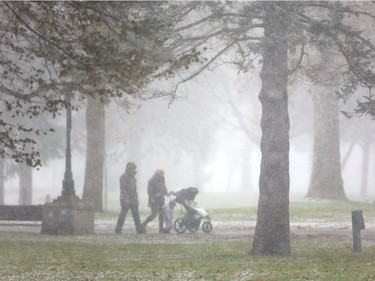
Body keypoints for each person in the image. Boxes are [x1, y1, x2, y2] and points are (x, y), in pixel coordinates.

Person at [115, 162, 143, 234]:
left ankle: (139, 229)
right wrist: (126, 198)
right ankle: (118, 229)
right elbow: (123, 189)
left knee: (136, 215)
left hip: (133, 199)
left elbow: (134, 189)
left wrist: (136, 198)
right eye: (133, 168)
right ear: (129, 168)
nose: (134, 170)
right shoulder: (124, 177)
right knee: (123, 214)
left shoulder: (132, 177)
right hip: (126, 199)